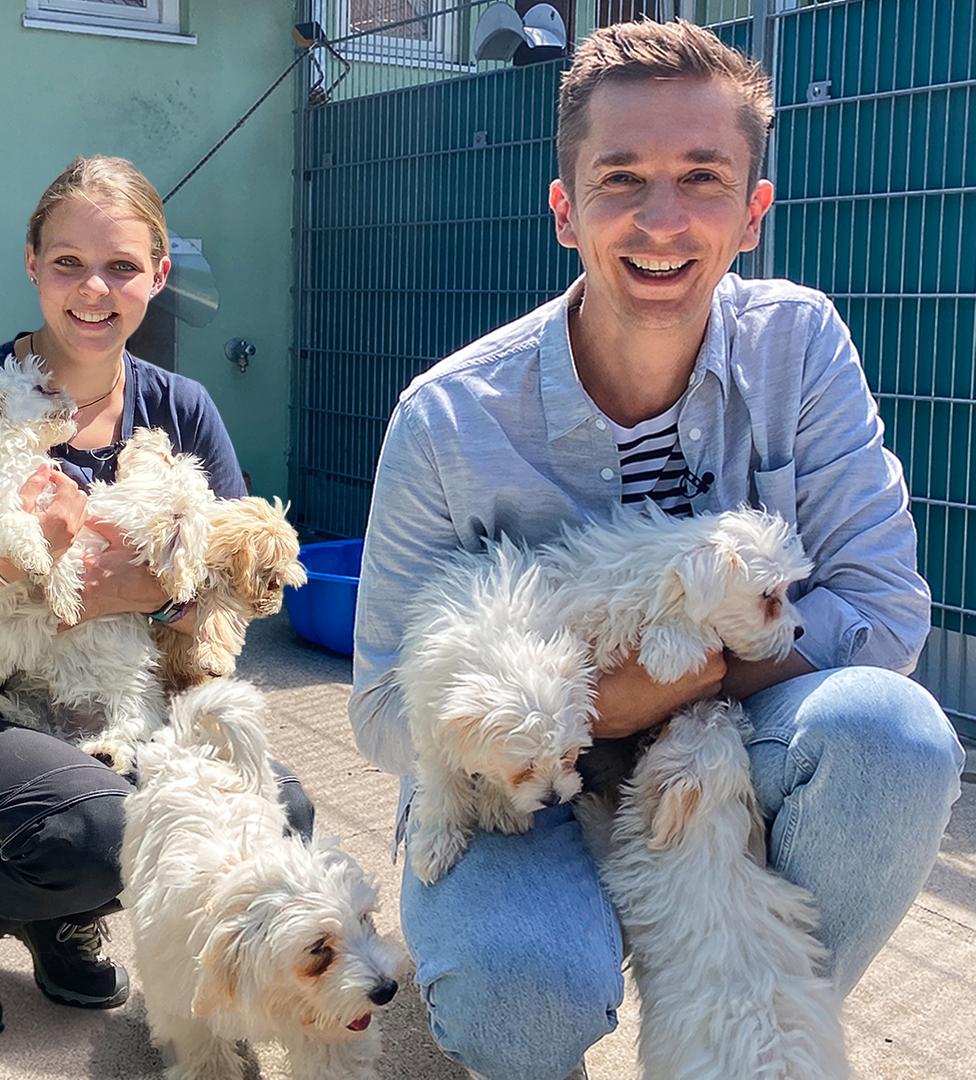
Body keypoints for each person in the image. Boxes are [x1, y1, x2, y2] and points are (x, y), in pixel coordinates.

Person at [349, 21, 966, 1080]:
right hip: (524, 768)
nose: (663, 219)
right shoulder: (447, 421)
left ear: (753, 214)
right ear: (565, 209)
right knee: (520, 994)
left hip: (733, 733)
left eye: (703, 177)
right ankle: (520, 984)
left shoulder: (802, 348)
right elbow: (378, 709)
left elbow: (890, 617)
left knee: (894, 739)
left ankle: (742, 1039)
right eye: (622, 178)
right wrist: (585, 708)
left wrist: (695, 672)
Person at [0, 155, 316, 1042]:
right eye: (69, 263)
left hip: (105, 697)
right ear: (32, 265)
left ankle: (55, 905)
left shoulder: (182, 410)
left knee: (279, 806)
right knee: (98, 827)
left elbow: (228, 600)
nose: (95, 290)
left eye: (122, 266)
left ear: (159, 277)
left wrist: (152, 595)